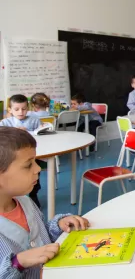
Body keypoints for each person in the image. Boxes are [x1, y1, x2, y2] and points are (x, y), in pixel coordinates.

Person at [0, 127, 90, 278]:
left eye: (35, 161)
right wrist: (17, 263)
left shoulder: (26, 202)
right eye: (28, 165)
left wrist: (59, 224)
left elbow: (41, 239)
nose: (37, 168)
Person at [0, 95, 43, 208]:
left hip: (32, 154)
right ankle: (14, 195)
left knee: (35, 170)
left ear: (27, 108)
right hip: (12, 158)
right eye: (16, 109)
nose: (21, 112)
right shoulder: (5, 123)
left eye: (24, 109)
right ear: (10, 109)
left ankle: (34, 194)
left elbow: (40, 134)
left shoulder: (34, 120)